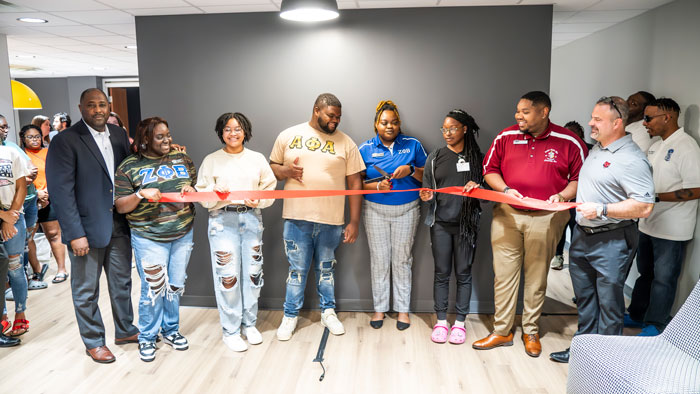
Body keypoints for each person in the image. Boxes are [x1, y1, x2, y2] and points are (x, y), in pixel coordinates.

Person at [472, 91, 587, 358]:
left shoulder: (569, 141)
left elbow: (580, 179)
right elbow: (489, 170)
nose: (518, 116)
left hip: (547, 217)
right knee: (504, 275)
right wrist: (506, 189)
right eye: (517, 111)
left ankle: (530, 330)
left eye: (525, 111)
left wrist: (563, 195)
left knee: (536, 277)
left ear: (544, 111)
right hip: (507, 214)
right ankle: (502, 331)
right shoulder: (506, 136)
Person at [550, 96, 654, 363]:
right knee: (586, 301)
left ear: (617, 123)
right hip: (583, 238)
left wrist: (603, 209)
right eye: (592, 117)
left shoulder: (632, 159)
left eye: (597, 119)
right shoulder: (597, 149)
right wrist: (562, 197)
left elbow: (643, 206)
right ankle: (583, 352)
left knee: (609, 305)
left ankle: (605, 362)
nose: (590, 123)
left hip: (612, 239)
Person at [46, 88, 139, 364]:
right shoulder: (66, 140)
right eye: (91, 105)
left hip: (119, 224)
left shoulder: (119, 135)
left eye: (102, 104)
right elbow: (61, 192)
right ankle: (94, 341)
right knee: (86, 290)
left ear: (108, 106)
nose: (98, 110)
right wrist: (75, 234)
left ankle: (125, 330)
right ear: (80, 108)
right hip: (85, 230)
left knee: (122, 283)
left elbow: (128, 173)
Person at [270, 93, 365, 341]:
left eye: (338, 117)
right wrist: (286, 170)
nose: (335, 121)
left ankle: (328, 311)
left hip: (331, 220)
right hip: (296, 218)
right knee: (297, 271)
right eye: (331, 116)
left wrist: (354, 221)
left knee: (326, 270)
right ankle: (290, 315)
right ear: (316, 110)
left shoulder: (346, 143)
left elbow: (355, 182)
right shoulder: (289, 135)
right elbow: (271, 169)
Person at [114, 117, 197, 362]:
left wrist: (193, 190)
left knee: (174, 286)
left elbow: (193, 186)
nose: (167, 140)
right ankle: (148, 337)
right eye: (160, 137)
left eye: (168, 135)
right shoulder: (129, 166)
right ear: (145, 139)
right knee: (153, 289)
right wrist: (140, 194)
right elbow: (120, 206)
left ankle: (171, 330)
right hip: (149, 236)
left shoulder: (182, 159)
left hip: (182, 232)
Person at [195, 112, 276, 352]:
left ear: (246, 131)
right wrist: (213, 189)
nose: (233, 133)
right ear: (221, 132)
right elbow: (201, 192)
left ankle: (249, 324)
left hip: (251, 219)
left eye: (238, 128)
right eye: (228, 129)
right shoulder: (211, 160)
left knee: (253, 273)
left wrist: (257, 200)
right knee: (227, 275)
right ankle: (230, 330)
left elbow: (269, 189)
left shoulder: (257, 159)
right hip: (222, 220)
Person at [626, 98, 700, 336]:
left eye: (648, 118)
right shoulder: (657, 145)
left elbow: (696, 188)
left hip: (672, 229)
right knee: (645, 274)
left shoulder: (686, 146)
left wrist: (654, 198)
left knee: (663, 279)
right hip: (648, 223)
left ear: (667, 117)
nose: (644, 123)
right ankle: (637, 315)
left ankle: (656, 325)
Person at [358, 100, 426, 330]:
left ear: (399, 124)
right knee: (379, 260)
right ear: (376, 124)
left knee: (402, 260)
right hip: (375, 211)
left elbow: (428, 178)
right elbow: (356, 185)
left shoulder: (413, 145)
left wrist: (412, 170)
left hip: (407, 210)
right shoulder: (365, 148)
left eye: (394, 122)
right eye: (384, 122)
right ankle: (379, 309)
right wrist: (376, 187)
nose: (390, 126)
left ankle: (403, 311)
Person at [419, 109, 483, 345]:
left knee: (464, 274)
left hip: (467, 226)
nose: (447, 133)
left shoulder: (478, 158)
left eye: (453, 128)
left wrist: (478, 186)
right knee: (441, 273)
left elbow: (486, 196)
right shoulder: (435, 157)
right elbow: (427, 190)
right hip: (441, 225)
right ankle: (442, 321)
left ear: (465, 129)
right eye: (444, 129)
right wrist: (427, 197)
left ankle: (460, 323)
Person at [21, 125, 69, 284]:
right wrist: (36, 193)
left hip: (50, 198)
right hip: (29, 201)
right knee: (28, 238)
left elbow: (58, 172)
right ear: (23, 138)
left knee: (54, 235)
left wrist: (46, 192)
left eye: (37, 136)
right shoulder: (21, 154)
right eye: (30, 137)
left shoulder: (49, 152)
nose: (34, 140)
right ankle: (37, 269)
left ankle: (62, 269)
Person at [0, 117, 29, 342]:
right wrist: (3, 216)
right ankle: (2, 316)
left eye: (4, 126)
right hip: (4, 215)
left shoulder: (13, 153)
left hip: (14, 217)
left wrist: (12, 217)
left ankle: (21, 312)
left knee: (15, 268)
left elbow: (21, 186)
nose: (2, 129)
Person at [550, 121, 595, 270]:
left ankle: (578, 259)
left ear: (580, 136)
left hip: (581, 198)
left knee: (577, 228)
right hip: (563, 196)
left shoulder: (591, 151)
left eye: (572, 135)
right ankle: (558, 256)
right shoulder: (559, 149)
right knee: (560, 228)